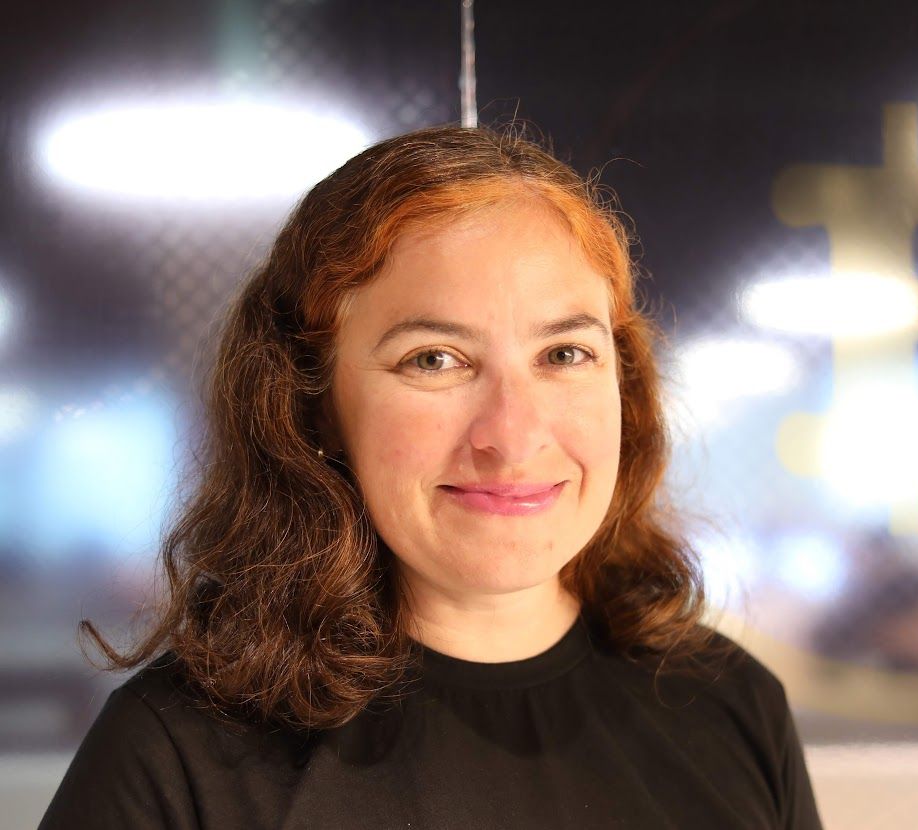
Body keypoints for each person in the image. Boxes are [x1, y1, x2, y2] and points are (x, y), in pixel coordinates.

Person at [39, 124, 823, 829]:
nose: (512, 437)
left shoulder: (733, 704)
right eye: (434, 360)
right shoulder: (176, 757)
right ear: (313, 406)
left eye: (563, 353)